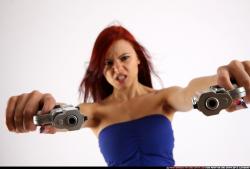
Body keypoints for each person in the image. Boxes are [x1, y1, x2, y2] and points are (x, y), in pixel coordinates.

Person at [5, 25, 250, 167]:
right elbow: (68, 115)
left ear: (138, 60)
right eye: (108, 63)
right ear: (102, 72)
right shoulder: (96, 113)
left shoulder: (164, 99)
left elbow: (189, 93)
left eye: (124, 58)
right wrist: (43, 108)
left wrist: (222, 81)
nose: (117, 69)